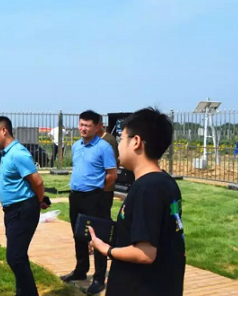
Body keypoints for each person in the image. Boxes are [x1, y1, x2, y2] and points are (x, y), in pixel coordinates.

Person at [89, 108, 186, 296]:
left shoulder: (147, 188)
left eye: (121, 139)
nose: (118, 146)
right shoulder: (165, 182)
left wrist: (106, 249)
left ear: (136, 142)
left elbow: (145, 253)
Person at [0, 116, 48, 296]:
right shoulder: (7, 153)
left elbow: (37, 182)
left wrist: (38, 201)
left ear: (4, 131)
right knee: (18, 256)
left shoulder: (18, 153)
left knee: (15, 257)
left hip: (23, 210)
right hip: (13, 211)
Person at [60, 110, 117, 295]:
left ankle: (99, 278)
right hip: (76, 196)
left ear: (97, 127)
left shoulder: (104, 147)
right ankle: (80, 269)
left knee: (97, 237)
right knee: (78, 235)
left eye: (87, 125)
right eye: (81, 124)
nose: (83, 128)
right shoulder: (76, 146)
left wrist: (98, 190)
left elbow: (112, 174)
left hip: (95, 197)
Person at [97, 119, 119, 219]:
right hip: (92, 187)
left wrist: (106, 183)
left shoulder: (109, 140)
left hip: (105, 187)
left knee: (103, 215)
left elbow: (114, 163)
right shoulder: (89, 139)